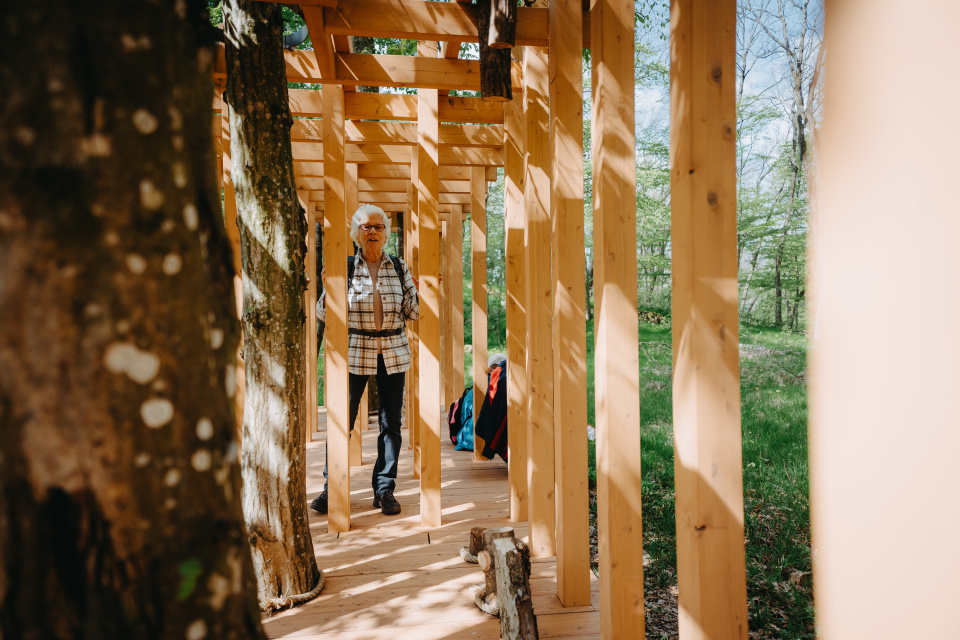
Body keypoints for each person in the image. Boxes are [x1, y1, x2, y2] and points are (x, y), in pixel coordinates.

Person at [311, 204, 420, 516]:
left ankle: (384, 489)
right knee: (340, 422)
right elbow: (323, 315)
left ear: (385, 233)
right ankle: (331, 488)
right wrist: (326, 287)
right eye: (366, 227)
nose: (372, 231)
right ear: (355, 234)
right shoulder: (343, 267)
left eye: (378, 226)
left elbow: (413, 312)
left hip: (393, 352)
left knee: (391, 424)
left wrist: (428, 288)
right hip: (354, 350)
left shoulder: (399, 268)